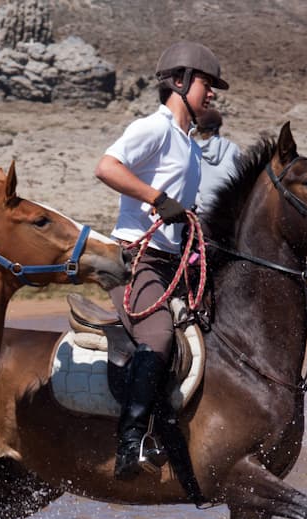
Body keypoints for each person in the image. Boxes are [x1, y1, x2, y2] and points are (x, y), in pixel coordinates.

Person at [94, 41, 227, 480]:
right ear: (180, 81)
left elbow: (179, 210)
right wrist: (156, 198)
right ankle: (129, 442)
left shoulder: (189, 144)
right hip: (137, 258)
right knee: (160, 336)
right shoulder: (153, 128)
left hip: (172, 261)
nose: (212, 94)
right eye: (207, 84)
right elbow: (107, 167)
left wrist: (192, 229)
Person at [193, 108, 241, 218]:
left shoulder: (193, 150)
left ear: (199, 129)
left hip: (199, 214)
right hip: (224, 213)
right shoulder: (233, 149)